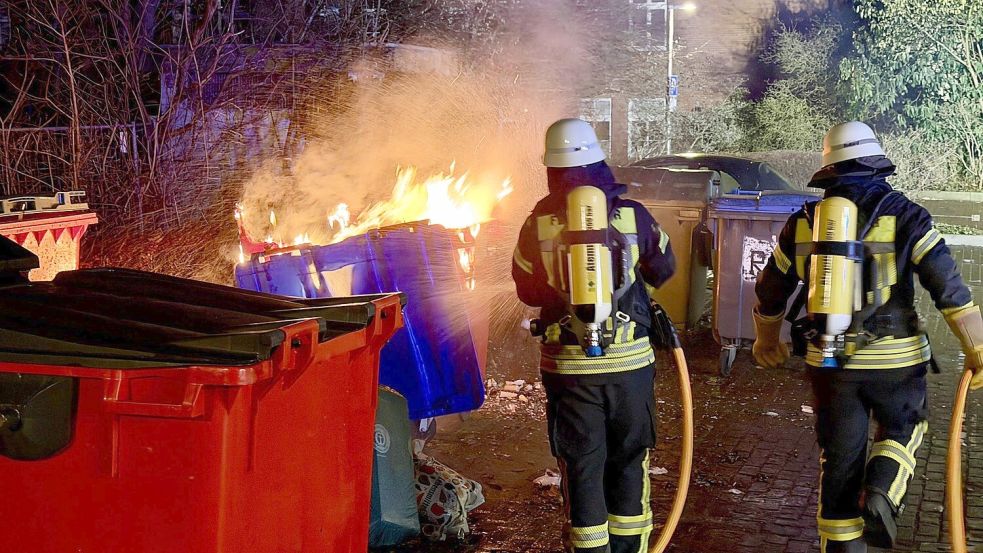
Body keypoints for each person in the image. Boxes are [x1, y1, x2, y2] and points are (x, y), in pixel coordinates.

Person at [752, 121, 983, 553]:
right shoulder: (907, 214)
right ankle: (882, 490)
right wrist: (977, 349)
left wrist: (767, 340)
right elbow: (949, 289)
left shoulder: (803, 223)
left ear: (828, 172)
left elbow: (769, 292)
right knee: (904, 428)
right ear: (876, 167)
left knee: (838, 463)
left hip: (830, 365)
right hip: (895, 360)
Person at [512, 118, 675, 553]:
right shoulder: (633, 215)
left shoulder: (537, 223)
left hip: (569, 370)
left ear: (551, 168)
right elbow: (664, 268)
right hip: (629, 368)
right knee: (628, 463)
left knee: (582, 469)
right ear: (599, 160)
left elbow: (526, 289)